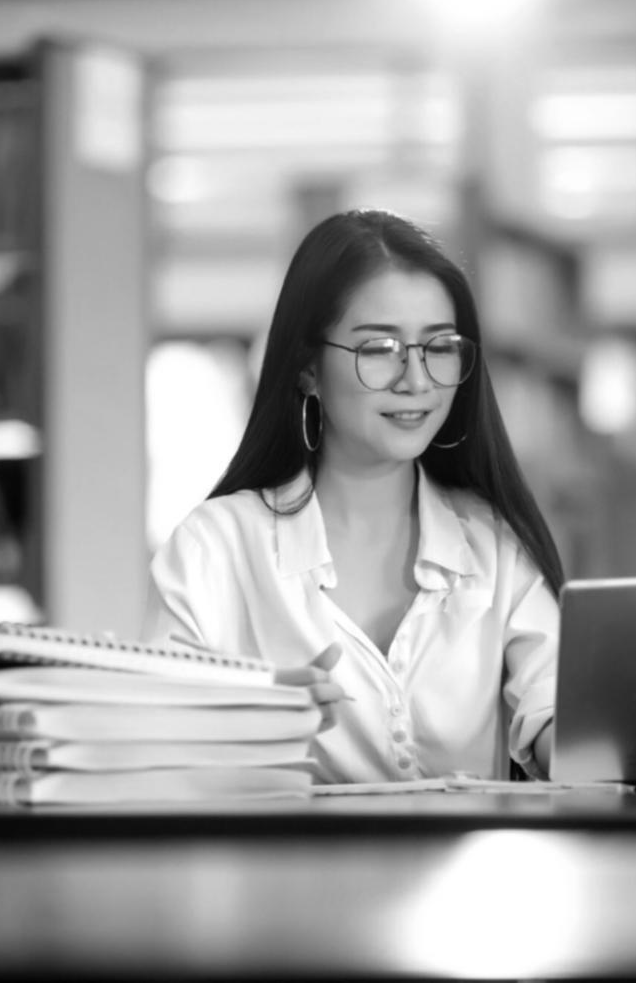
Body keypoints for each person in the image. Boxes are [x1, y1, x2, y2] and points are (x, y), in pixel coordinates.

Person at [143, 208, 565, 784]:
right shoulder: (214, 549)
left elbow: (558, 718)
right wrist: (245, 729)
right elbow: (153, 749)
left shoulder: (494, 547)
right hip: (277, 846)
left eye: (439, 346)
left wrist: (618, 742)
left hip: (471, 849)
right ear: (308, 368)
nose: (416, 380)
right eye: (379, 348)